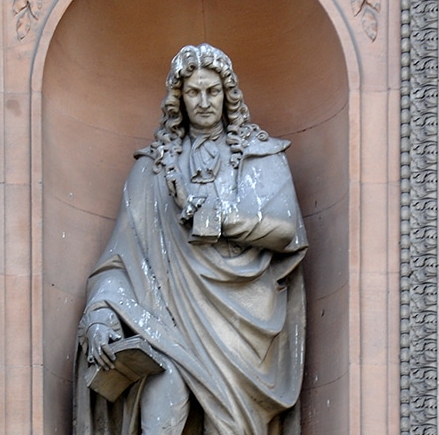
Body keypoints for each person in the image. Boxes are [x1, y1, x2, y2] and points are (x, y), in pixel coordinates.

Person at [74, 43, 308, 435]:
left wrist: (214, 218)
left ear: (227, 94)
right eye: (193, 92)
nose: (203, 102)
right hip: (167, 325)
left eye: (212, 91)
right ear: (179, 99)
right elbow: (118, 263)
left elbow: (286, 230)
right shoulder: (151, 171)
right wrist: (101, 316)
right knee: (162, 399)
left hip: (240, 325)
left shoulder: (259, 155)